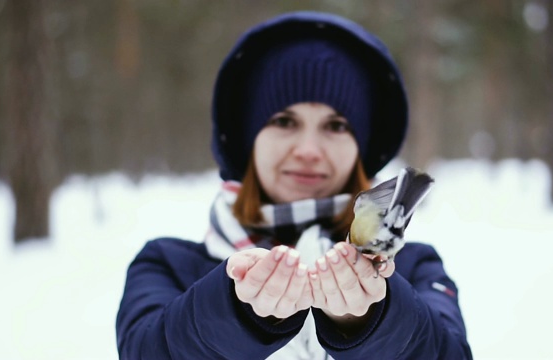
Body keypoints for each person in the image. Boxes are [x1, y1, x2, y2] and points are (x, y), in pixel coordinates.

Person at [116, 11, 472, 359]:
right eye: (284, 121)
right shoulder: (167, 265)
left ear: (361, 149)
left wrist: (371, 322)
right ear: (248, 141)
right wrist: (235, 315)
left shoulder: (412, 266)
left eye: (336, 126)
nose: (308, 150)